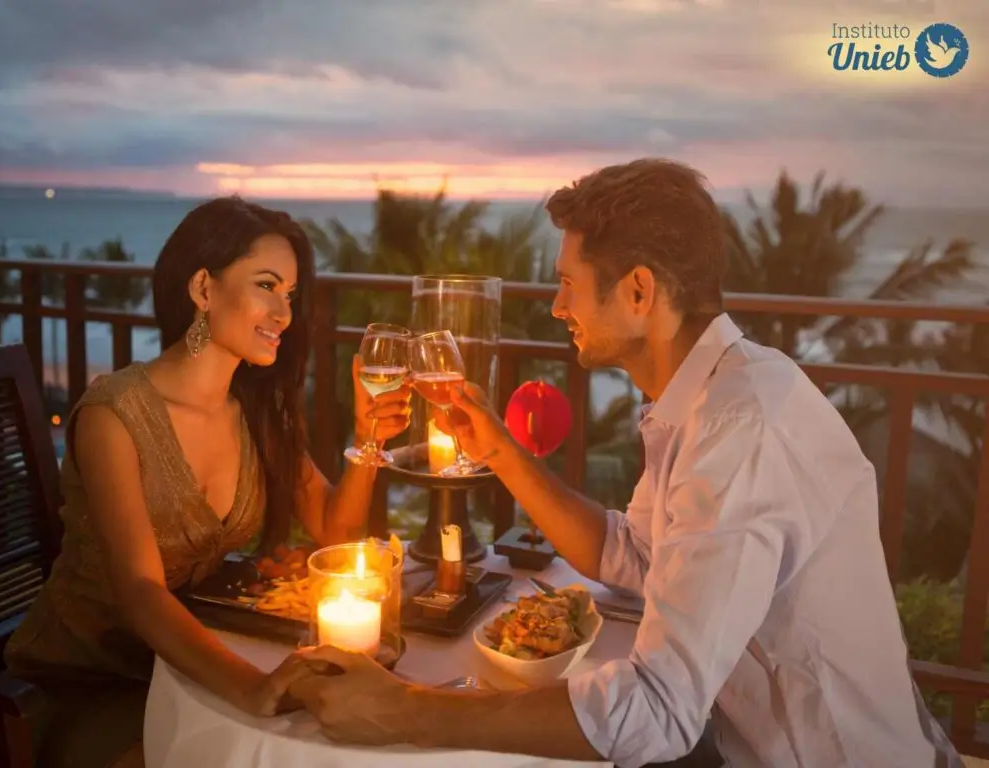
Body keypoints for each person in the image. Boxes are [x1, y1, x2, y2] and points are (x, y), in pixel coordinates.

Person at [291, 159, 962, 767]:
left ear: (639, 292)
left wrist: (407, 708)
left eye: (568, 286)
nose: (557, 308)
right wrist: (497, 447)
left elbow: (657, 711)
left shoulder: (741, 428)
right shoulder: (705, 396)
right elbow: (636, 556)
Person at [4, 197, 411, 768]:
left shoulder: (257, 409)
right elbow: (141, 591)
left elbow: (334, 532)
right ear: (203, 288)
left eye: (289, 295)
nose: (284, 314)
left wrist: (369, 439)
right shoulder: (114, 415)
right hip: (84, 679)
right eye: (266, 286)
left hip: (185, 664)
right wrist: (253, 686)